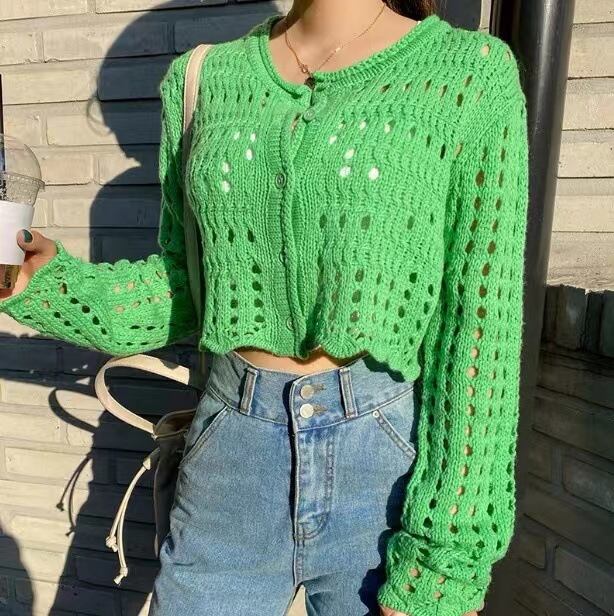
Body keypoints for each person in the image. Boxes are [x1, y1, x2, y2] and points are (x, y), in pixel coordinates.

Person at [0, 0, 530, 614]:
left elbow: (479, 329)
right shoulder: (204, 78)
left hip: (385, 466)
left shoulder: (467, 74)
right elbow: (187, 288)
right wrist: (48, 286)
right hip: (232, 454)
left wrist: (446, 560)